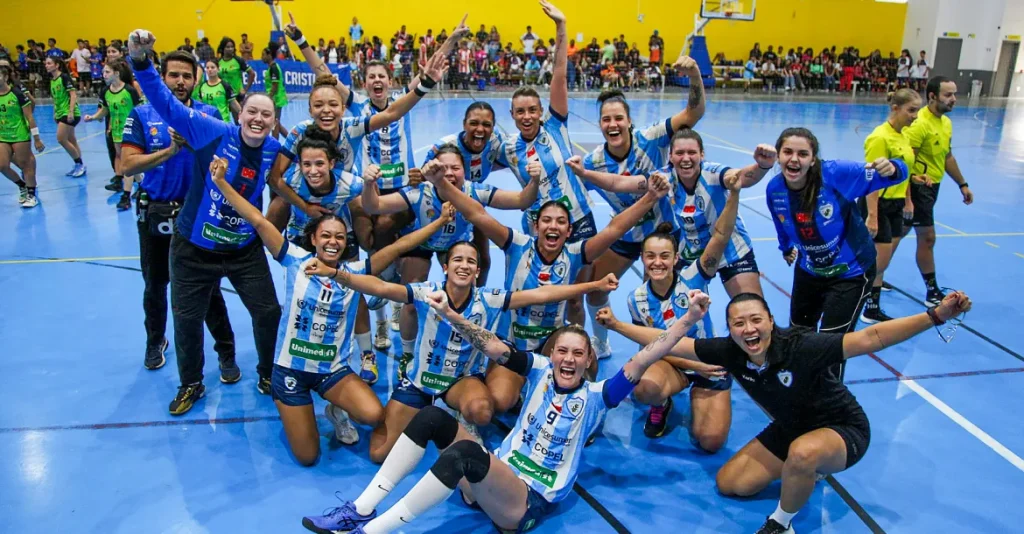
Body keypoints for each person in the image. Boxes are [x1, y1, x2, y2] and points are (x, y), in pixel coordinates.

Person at [299, 287, 712, 534]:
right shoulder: (537, 371)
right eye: (561, 351)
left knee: (464, 454)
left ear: (589, 361)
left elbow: (645, 357)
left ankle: (374, 531)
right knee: (432, 418)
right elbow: (491, 344)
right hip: (496, 476)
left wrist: (689, 319)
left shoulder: (598, 397)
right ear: (551, 355)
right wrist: (447, 312)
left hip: (524, 501)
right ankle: (360, 510)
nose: (567, 360)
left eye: (577, 354)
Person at [599, 289, 971, 534]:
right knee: (731, 484)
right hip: (791, 427)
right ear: (730, 330)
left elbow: (871, 337)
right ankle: (806, 470)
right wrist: (616, 325)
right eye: (738, 323)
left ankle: (782, 523)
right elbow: (670, 342)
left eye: (756, 320)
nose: (749, 329)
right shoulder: (731, 351)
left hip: (842, 429)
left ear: (770, 322)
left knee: (804, 454)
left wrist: (935, 316)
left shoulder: (802, 346)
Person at [208, 148, 453, 466]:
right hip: (291, 370)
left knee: (373, 414)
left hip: (331, 371)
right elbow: (256, 219)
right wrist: (222, 184)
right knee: (308, 456)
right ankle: (294, 408)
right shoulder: (294, 259)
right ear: (313, 240)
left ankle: (336, 409)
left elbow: (398, 246)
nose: (333, 242)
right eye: (326, 236)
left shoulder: (354, 273)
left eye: (339, 237)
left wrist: (439, 223)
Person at [308, 237, 618, 462]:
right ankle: (340, 410)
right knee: (378, 454)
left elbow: (542, 293)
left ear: (478, 270)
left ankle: (458, 413)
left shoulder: (490, 298)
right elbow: (381, 288)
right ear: (445, 266)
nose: (464, 265)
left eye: (471, 261)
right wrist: (336, 273)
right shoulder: (426, 292)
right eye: (458, 259)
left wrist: (592, 286)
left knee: (482, 411)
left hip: (460, 381)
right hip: (420, 382)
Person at [282, 12, 469, 351]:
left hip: (402, 190)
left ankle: (395, 299)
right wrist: (301, 41)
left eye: (382, 75)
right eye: (371, 77)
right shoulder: (356, 110)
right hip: (366, 189)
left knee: (394, 247)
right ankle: (382, 315)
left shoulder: (400, 103)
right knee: (372, 247)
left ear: (390, 79)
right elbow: (323, 75)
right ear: (364, 83)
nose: (377, 81)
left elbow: (428, 77)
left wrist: (453, 38)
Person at [128, 28, 288, 414]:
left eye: (266, 115)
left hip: (243, 249)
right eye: (252, 111)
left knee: (268, 311)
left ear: (272, 121)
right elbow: (167, 105)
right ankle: (191, 383)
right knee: (186, 319)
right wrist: (140, 62)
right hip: (193, 248)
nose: (258, 119)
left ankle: (267, 372)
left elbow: (310, 172)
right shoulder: (212, 131)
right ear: (241, 113)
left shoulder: (275, 150)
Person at [426, 162, 671, 413]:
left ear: (569, 231)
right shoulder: (516, 244)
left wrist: (651, 196)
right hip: (511, 343)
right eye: (547, 221)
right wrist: (442, 184)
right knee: (500, 402)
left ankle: (580, 408)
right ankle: (526, 389)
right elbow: (478, 214)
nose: (553, 226)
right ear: (536, 226)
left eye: (560, 222)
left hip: (549, 342)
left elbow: (615, 228)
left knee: (585, 360)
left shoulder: (576, 253)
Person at [567, 60, 707, 359]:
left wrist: (694, 74)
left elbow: (693, 113)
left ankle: (672, 354)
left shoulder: (653, 137)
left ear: (629, 121)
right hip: (626, 234)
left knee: (660, 296)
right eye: (606, 120)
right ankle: (601, 344)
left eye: (618, 118)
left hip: (663, 233)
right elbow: (573, 195)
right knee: (595, 290)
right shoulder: (592, 162)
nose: (612, 124)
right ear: (600, 124)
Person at [362, 145, 539, 373]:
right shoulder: (421, 191)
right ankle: (408, 354)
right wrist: (369, 184)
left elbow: (521, 200)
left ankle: (468, 347)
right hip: (423, 242)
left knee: (468, 295)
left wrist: (534, 181)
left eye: (455, 167)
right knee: (411, 302)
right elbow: (373, 205)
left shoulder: (475, 191)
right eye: (442, 168)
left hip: (455, 246)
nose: (449, 173)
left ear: (464, 171)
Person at [599, 171, 741, 445]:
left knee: (710, 442)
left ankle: (703, 396)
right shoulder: (636, 299)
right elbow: (651, 351)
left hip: (708, 362)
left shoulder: (694, 277)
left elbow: (721, 235)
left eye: (665, 256)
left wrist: (733, 193)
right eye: (650, 256)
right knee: (644, 389)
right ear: (641, 258)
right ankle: (661, 404)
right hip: (674, 364)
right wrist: (689, 366)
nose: (657, 263)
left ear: (676, 258)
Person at [120, 49, 237, 374]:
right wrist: (170, 151)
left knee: (210, 287)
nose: (181, 81)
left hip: (198, 217)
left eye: (187, 75)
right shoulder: (142, 115)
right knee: (156, 284)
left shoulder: (208, 113)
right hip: (156, 214)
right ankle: (155, 341)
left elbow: (226, 157)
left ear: (196, 78)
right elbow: (126, 166)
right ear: (161, 77)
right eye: (174, 75)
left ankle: (226, 353)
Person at [765, 127, 908, 382]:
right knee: (799, 335)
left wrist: (894, 167)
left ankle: (830, 403)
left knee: (832, 343)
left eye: (802, 153)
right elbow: (781, 222)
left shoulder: (836, 174)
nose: (794, 159)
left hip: (852, 272)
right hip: (810, 270)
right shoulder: (775, 190)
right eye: (787, 152)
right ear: (778, 156)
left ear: (813, 158)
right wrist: (786, 247)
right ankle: (800, 390)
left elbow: (896, 174)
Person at [496, 1, 596, 329]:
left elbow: (560, 75)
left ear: (541, 111)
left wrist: (561, 26)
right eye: (519, 112)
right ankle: (541, 339)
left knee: (573, 295)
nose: (526, 116)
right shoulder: (509, 148)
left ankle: (586, 342)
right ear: (512, 116)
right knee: (539, 289)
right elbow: (472, 152)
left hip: (578, 221)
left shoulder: (555, 125)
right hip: (539, 227)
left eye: (531, 110)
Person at [898, 76, 973, 307]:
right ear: (932, 97)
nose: (953, 100)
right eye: (948, 95)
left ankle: (873, 276)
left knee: (894, 234)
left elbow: (947, 156)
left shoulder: (945, 123)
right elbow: (905, 162)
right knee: (927, 237)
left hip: (933, 188)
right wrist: (908, 197)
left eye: (954, 94)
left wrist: (962, 183)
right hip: (919, 187)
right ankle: (932, 291)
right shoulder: (920, 123)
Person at [424, 102, 506, 284]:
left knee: (483, 261)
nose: (480, 129)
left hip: (473, 205)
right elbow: (423, 178)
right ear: (464, 124)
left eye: (486, 125)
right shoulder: (444, 146)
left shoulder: (495, 141)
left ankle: (476, 300)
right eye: (474, 123)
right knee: (454, 265)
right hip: (443, 208)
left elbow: (509, 161)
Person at [859, 89, 921, 323]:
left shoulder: (903, 135)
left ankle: (871, 303)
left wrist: (908, 199)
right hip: (878, 204)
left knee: (883, 261)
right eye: (911, 110)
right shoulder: (879, 137)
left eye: (917, 110)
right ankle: (865, 305)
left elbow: (903, 172)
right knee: (879, 262)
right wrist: (872, 215)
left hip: (896, 203)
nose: (915, 116)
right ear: (895, 108)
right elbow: (871, 179)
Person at [85, 59, 142, 210]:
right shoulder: (105, 91)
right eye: (103, 72)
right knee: (125, 162)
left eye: (107, 72)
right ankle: (144, 187)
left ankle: (126, 197)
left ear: (116, 74)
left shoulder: (129, 90)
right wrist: (93, 117)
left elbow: (140, 109)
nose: (103, 74)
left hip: (130, 131)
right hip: (116, 132)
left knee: (126, 164)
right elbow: (105, 110)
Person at [0, 61, 44, 208]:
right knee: (2, 165)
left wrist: (36, 138)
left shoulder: (16, 93)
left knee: (26, 165)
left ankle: (31, 194)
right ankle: (22, 185)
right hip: (3, 136)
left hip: (19, 135)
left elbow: (30, 117)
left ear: (5, 77)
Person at [44, 56, 85, 177]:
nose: (46, 65)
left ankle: (79, 163)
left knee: (61, 139)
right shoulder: (52, 81)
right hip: (60, 113)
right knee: (71, 139)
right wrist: (54, 112)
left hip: (69, 113)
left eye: (49, 63)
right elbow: (56, 99)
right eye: (46, 63)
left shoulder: (64, 78)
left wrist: (70, 112)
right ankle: (80, 165)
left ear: (57, 65)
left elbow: (73, 95)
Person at [263, 43, 289, 139]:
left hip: (276, 100)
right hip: (276, 99)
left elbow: (275, 85)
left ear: (269, 55)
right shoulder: (271, 67)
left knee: (274, 123)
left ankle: (275, 144)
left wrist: (269, 98)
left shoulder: (273, 68)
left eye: (264, 55)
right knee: (276, 122)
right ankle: (292, 140)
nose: (262, 57)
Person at [217, 37, 254, 104]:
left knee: (239, 114)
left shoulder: (238, 60)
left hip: (237, 95)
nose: (230, 49)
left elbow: (252, 73)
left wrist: (245, 89)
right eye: (227, 47)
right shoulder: (218, 62)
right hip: (223, 94)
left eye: (232, 47)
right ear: (223, 49)